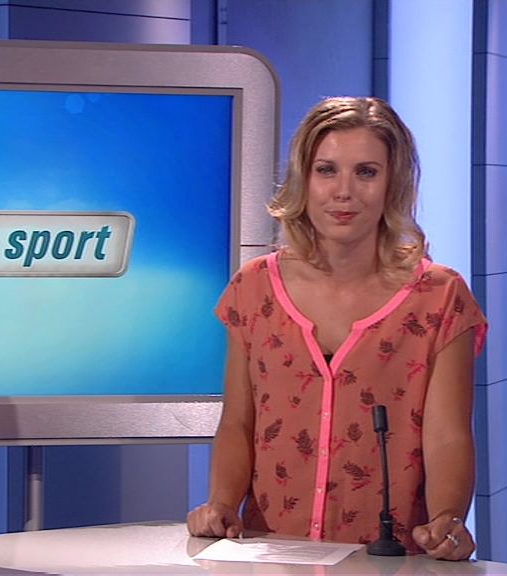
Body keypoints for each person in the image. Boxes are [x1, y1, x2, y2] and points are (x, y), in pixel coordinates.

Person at [186, 97, 487, 561]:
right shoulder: (253, 288)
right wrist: (222, 505)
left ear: (393, 183)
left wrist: (448, 519)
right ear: (303, 179)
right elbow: (239, 422)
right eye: (326, 170)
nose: (344, 191)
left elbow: (447, 434)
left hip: (389, 561)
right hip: (272, 559)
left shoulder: (440, 297)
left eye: (366, 172)